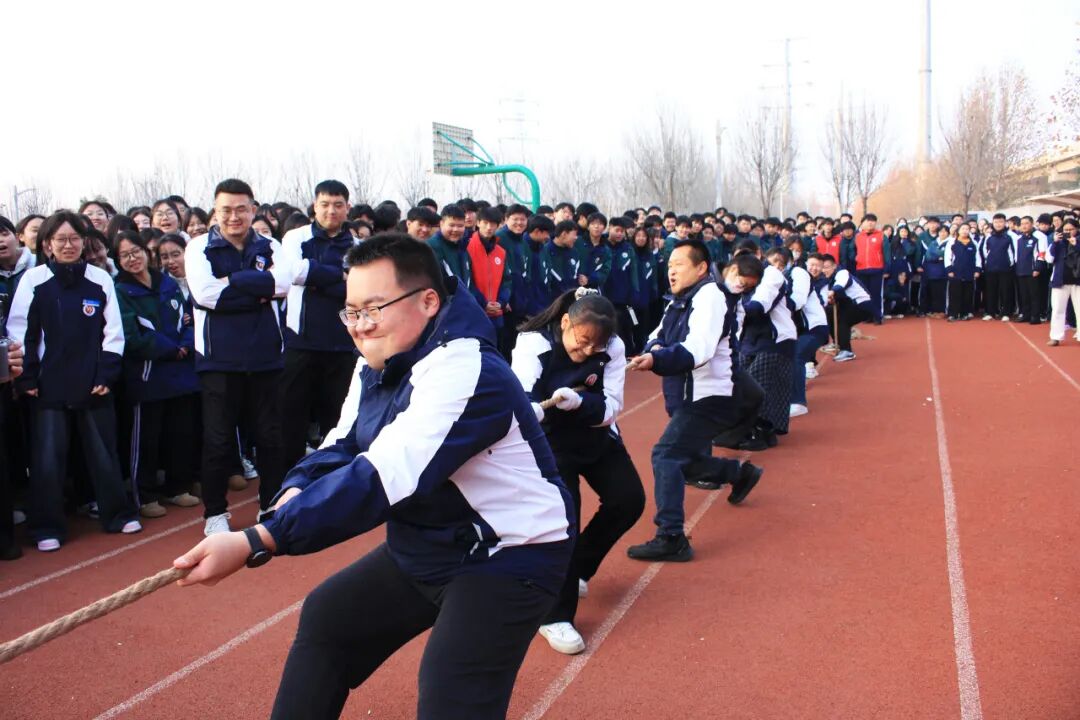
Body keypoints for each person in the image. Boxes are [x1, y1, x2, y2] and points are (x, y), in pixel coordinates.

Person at [173, 233, 573, 720]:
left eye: (373, 309)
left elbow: (384, 474)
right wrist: (296, 488)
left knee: (452, 686)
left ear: (428, 301)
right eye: (351, 312)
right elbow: (342, 443)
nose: (360, 327)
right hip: (430, 541)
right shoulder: (377, 361)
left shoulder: (466, 369)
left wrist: (260, 538)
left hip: (511, 553)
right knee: (329, 620)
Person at [512, 288, 645, 655]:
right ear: (566, 322)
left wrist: (579, 401)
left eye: (595, 347)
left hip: (596, 434)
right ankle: (554, 615)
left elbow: (610, 407)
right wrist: (536, 409)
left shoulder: (612, 347)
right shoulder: (532, 343)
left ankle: (580, 566)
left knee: (629, 500)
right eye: (582, 341)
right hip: (551, 442)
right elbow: (519, 398)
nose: (587, 352)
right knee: (564, 522)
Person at [8, 211, 142, 551]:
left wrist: (106, 374)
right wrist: (27, 378)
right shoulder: (33, 280)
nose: (68, 245)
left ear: (84, 243)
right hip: (47, 386)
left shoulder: (99, 279)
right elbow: (19, 332)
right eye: (60, 240)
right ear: (48, 245)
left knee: (103, 453)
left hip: (93, 383)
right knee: (47, 459)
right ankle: (47, 527)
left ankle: (118, 514)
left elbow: (113, 333)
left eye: (74, 239)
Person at [625, 243, 765, 562]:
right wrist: (654, 348)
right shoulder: (678, 301)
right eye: (669, 265)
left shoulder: (710, 297)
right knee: (682, 462)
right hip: (684, 393)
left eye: (678, 264)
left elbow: (698, 350)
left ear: (701, 268)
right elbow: (657, 334)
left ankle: (671, 536)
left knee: (665, 456)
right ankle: (739, 474)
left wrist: (657, 358)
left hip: (709, 396)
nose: (671, 270)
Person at [186, 179, 292, 535]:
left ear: (253, 209)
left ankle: (270, 504)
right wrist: (258, 289)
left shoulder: (271, 244)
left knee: (271, 437)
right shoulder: (199, 247)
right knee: (217, 440)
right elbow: (206, 295)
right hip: (219, 360)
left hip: (266, 358)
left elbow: (282, 285)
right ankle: (215, 513)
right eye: (226, 210)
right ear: (215, 212)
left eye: (241, 209)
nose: (234, 216)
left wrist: (231, 282)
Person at [113, 231, 201, 517]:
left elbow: (187, 318)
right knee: (147, 439)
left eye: (136, 251)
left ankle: (178, 487)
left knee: (181, 433)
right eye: (125, 255)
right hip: (148, 376)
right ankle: (145, 495)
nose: (132, 258)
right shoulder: (121, 291)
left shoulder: (166, 282)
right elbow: (132, 335)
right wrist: (169, 349)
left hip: (181, 373)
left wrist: (186, 343)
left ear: (146, 251)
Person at [279, 180, 358, 469]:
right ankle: (287, 480)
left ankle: (333, 476)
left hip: (341, 342)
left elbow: (356, 286)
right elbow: (296, 272)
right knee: (292, 415)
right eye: (325, 204)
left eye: (338, 205)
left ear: (347, 208)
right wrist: (339, 276)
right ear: (315, 206)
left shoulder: (355, 244)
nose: (331, 211)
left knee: (336, 417)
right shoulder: (295, 237)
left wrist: (319, 278)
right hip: (301, 341)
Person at [738, 245, 798, 448]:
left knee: (760, 383)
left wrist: (731, 310)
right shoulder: (735, 279)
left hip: (775, 339)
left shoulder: (771, 274)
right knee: (740, 383)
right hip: (748, 340)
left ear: (758, 255)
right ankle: (747, 429)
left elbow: (759, 304)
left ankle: (764, 432)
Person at [789, 252, 829, 417]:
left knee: (796, 355)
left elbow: (797, 303)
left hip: (815, 329)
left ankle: (798, 402)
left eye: (817, 265)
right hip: (801, 330)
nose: (814, 268)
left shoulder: (800, 276)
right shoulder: (791, 276)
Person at [467, 206, 513, 349]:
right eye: (485, 223)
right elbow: (467, 281)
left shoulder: (501, 252)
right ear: (478, 223)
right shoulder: (467, 247)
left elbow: (507, 281)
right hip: (475, 313)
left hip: (496, 314)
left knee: (496, 352)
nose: (489, 227)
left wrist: (502, 302)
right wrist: (482, 302)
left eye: (493, 224)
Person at [821, 254, 874, 362]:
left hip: (863, 304)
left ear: (834, 266)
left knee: (843, 320)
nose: (824, 270)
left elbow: (841, 284)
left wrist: (834, 291)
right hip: (849, 304)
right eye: (822, 267)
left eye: (826, 267)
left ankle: (847, 351)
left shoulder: (842, 273)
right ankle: (837, 343)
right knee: (829, 312)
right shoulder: (827, 280)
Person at [602, 216, 639, 354]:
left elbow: (633, 272)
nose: (619, 234)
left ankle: (628, 352)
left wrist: (635, 292)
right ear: (609, 228)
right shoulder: (602, 246)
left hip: (625, 297)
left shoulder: (628, 249)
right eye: (617, 230)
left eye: (622, 231)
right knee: (611, 325)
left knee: (629, 324)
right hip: (606, 295)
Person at [1046, 218, 1080, 346]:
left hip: (1077, 280)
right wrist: (1055, 243)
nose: (1068, 232)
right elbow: (1049, 259)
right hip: (1060, 280)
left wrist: (1076, 244)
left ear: (1076, 229)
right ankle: (1056, 336)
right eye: (1066, 230)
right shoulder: (1057, 243)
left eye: (1071, 229)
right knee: (1058, 309)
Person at [427, 204, 473, 290]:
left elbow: (470, 283)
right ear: (441, 224)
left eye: (460, 226)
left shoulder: (463, 247)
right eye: (451, 225)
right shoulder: (431, 247)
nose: (456, 229)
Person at [853, 214, 887, 324]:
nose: (870, 223)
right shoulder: (857, 236)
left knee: (876, 294)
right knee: (864, 295)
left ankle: (878, 316)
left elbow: (887, 253)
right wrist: (855, 258)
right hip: (861, 268)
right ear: (862, 223)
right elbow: (852, 251)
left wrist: (887, 269)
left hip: (877, 268)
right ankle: (868, 316)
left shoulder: (881, 236)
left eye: (873, 221)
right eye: (868, 221)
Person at [981, 213, 1015, 321]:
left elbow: (1014, 253)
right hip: (991, 269)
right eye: (996, 222)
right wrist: (988, 262)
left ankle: (1006, 313)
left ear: (1005, 223)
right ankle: (991, 312)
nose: (998, 224)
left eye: (1001, 222)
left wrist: (1011, 264)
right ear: (993, 223)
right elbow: (984, 252)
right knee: (990, 291)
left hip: (1006, 269)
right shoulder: (989, 237)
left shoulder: (1010, 236)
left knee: (1005, 291)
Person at [1014, 216, 1048, 325]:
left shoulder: (1039, 236)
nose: (1024, 226)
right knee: (1024, 294)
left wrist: (1038, 267)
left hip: (1033, 270)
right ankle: (1026, 314)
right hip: (1021, 269)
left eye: (1026, 223)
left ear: (1032, 224)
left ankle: (1035, 315)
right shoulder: (1019, 238)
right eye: (1022, 223)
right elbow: (1016, 255)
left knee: (1034, 294)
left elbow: (1042, 253)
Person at [945, 225, 981, 321]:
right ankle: (953, 314)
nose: (965, 231)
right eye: (963, 229)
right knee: (955, 293)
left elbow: (977, 257)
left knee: (967, 294)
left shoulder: (973, 243)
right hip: (956, 271)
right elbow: (948, 257)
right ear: (959, 231)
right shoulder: (952, 242)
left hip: (969, 272)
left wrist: (977, 270)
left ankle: (964, 313)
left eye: (967, 229)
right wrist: (949, 269)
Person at [577, 212, 611, 289]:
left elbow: (605, 271)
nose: (596, 226)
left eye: (600, 224)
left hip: (594, 288)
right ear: (588, 227)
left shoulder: (606, 250)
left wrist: (589, 279)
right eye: (593, 224)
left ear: (604, 227)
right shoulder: (577, 242)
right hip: (574, 286)